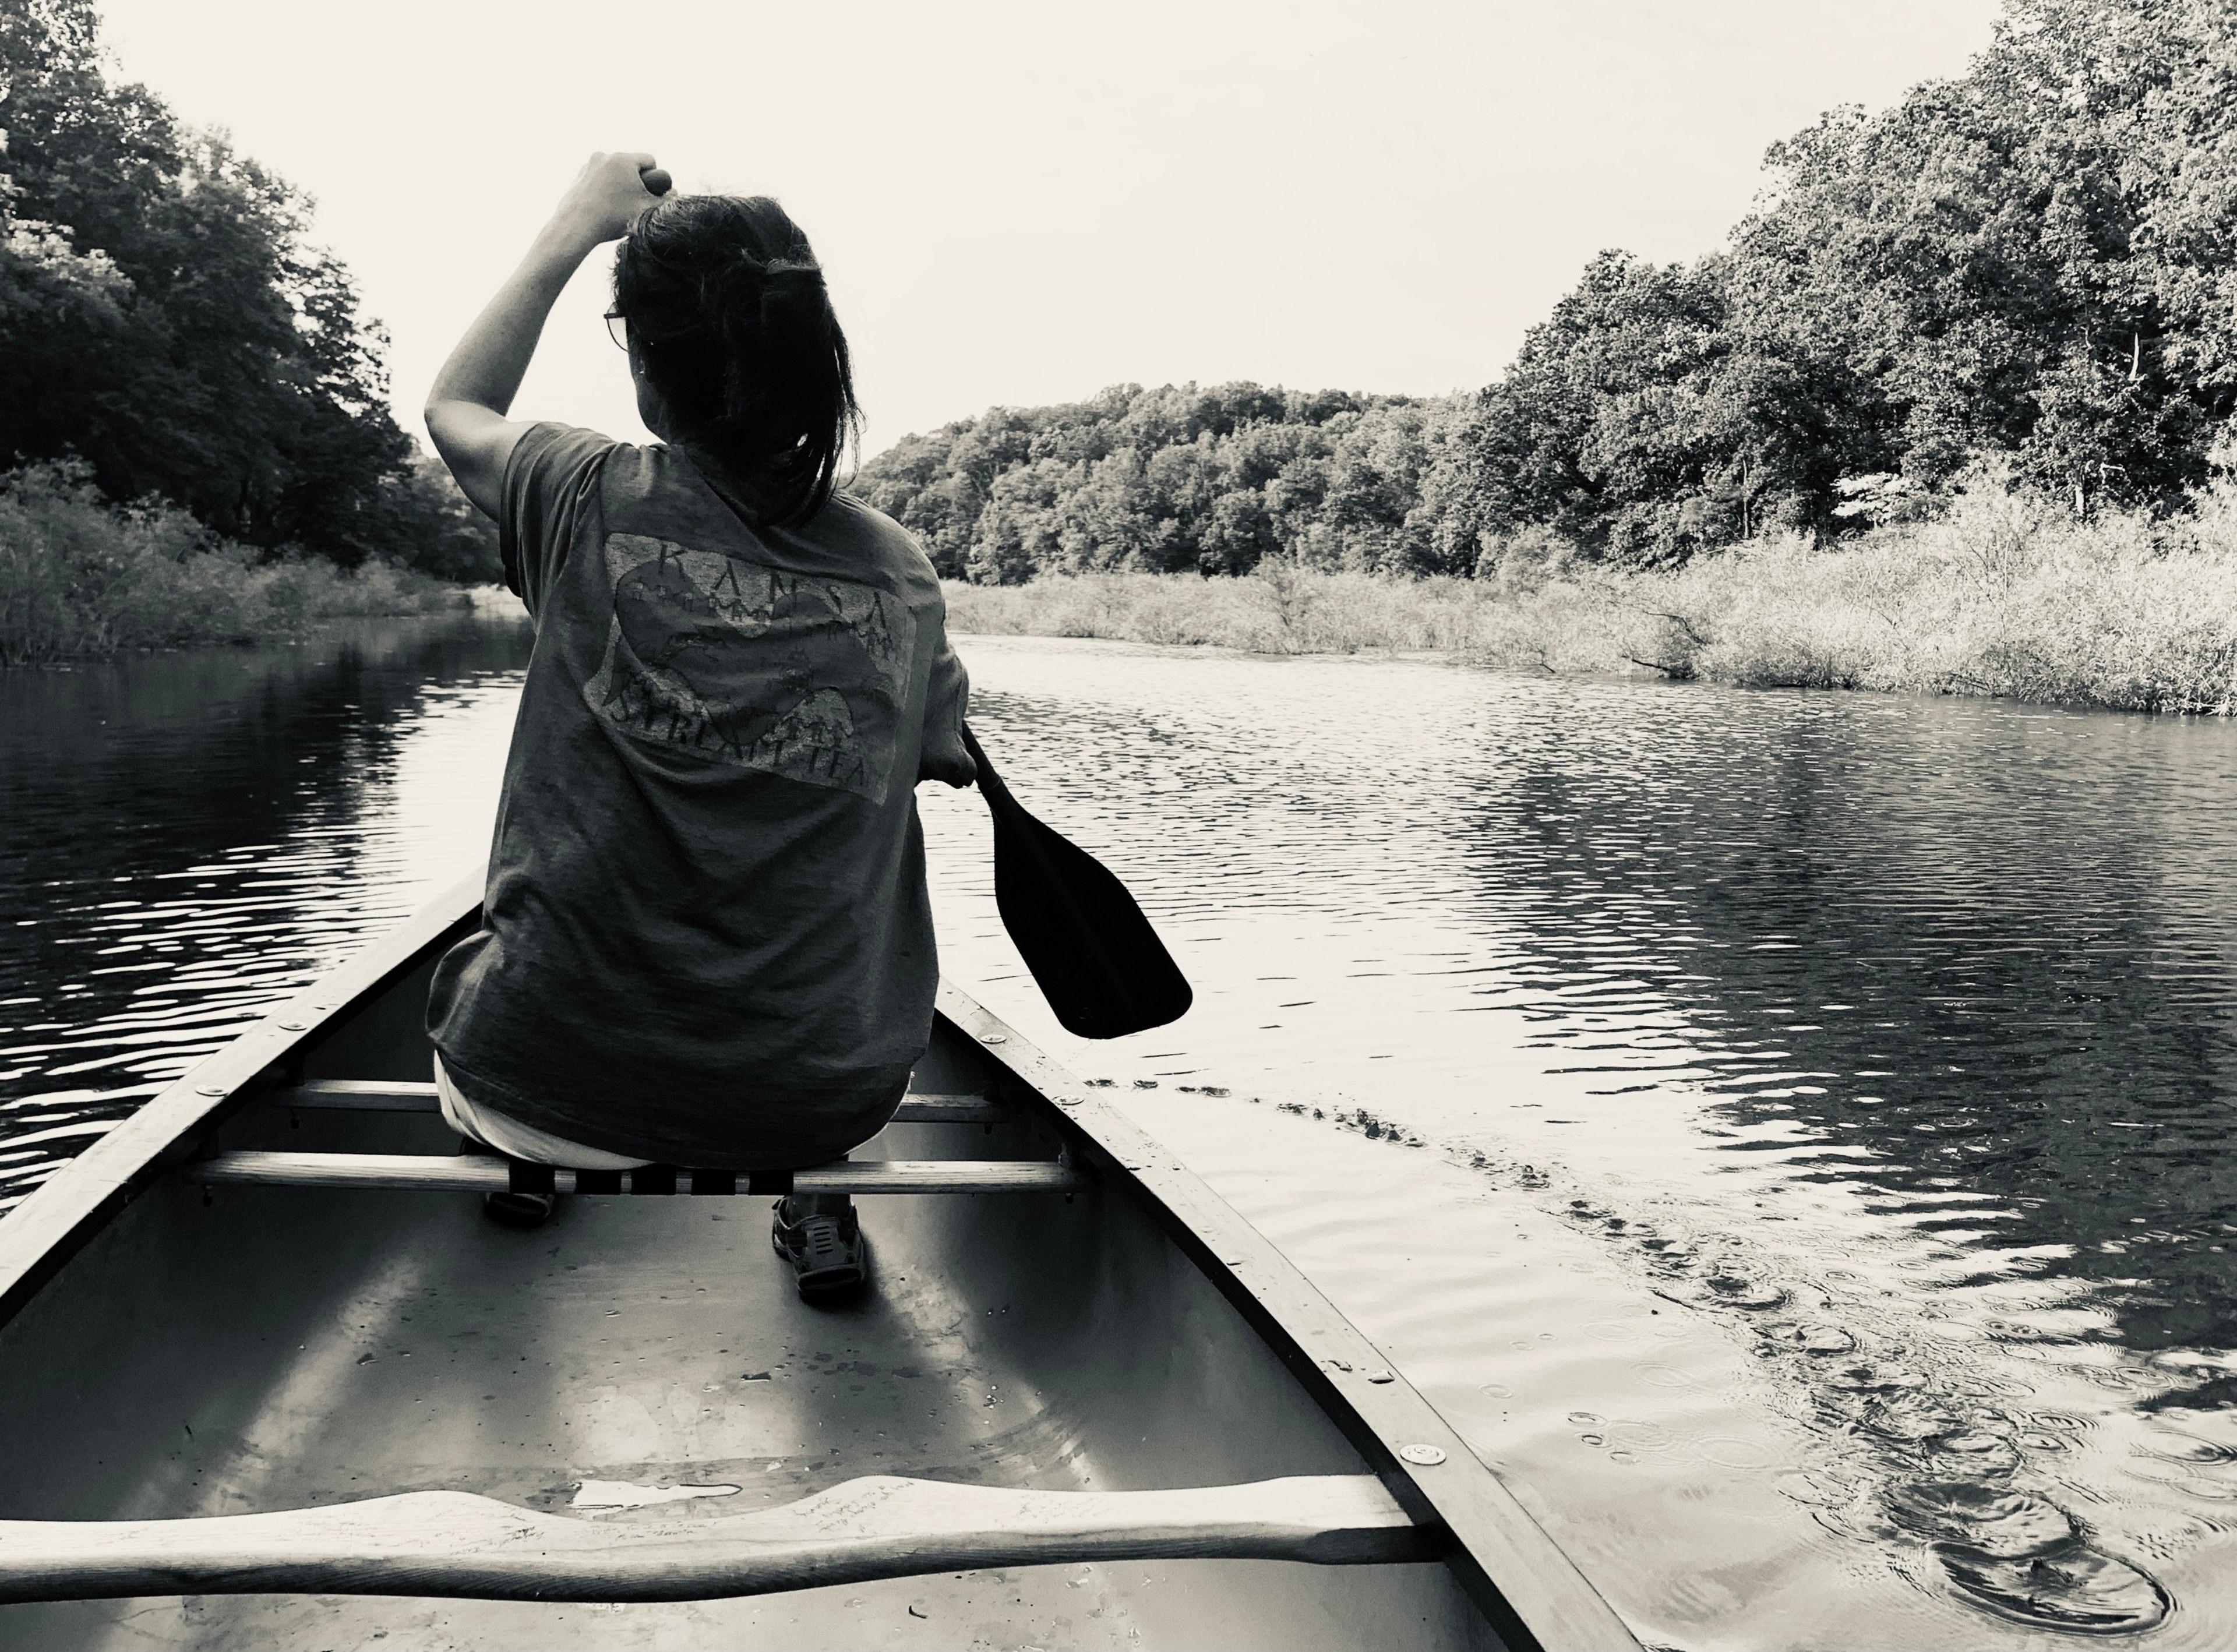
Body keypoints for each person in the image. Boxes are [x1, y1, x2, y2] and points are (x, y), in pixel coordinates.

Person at [421, 152, 973, 1302]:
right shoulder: (904, 575)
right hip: (820, 1105)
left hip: (536, 1088)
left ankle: (524, 1163)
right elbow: (941, 756)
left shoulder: (578, 490)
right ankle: (814, 1197)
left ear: (653, 383)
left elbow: (452, 408)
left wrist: (575, 224)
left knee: (483, 959)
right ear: (822, 367)